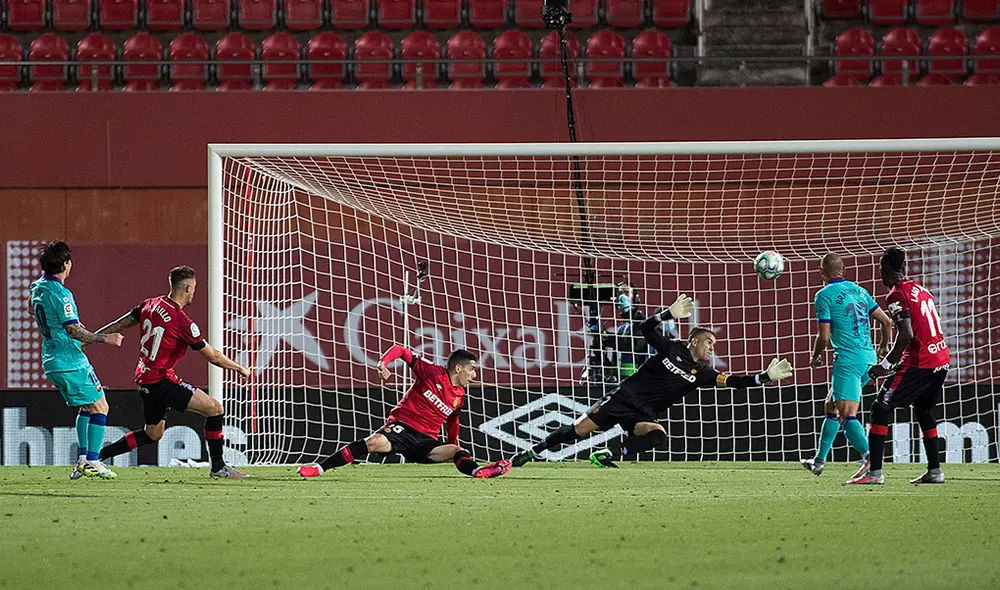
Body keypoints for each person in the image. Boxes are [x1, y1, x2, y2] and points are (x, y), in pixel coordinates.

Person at [510, 294, 794, 468]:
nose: (712, 348)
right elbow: (645, 327)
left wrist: (764, 378)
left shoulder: (703, 374)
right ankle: (531, 452)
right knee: (577, 431)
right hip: (622, 398)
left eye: (714, 344)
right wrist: (667, 314)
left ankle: (608, 453)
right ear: (693, 340)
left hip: (643, 413)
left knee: (657, 435)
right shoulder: (671, 347)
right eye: (709, 341)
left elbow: (734, 381)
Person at [94, 266, 251, 478]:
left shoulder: (150, 304)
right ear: (187, 288)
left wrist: (92, 337)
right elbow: (212, 356)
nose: (194, 292)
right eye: (194, 288)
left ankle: (96, 457)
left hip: (144, 378)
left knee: (153, 433)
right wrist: (239, 367)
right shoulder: (181, 320)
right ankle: (218, 467)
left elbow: (121, 323)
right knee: (214, 408)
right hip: (160, 379)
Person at [297, 346, 510, 479]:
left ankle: (478, 472)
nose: (474, 374)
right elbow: (401, 350)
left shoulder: (459, 396)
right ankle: (318, 468)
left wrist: (451, 443)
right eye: (472, 369)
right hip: (402, 428)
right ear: (458, 368)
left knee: (457, 450)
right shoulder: (432, 372)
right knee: (373, 442)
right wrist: (383, 363)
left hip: (425, 442)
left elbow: (453, 421)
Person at [847, 248, 951, 485]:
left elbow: (906, 335)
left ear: (887, 268)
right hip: (941, 359)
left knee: (880, 407)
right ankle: (935, 471)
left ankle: (875, 473)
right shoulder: (921, 290)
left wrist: (885, 365)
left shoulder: (896, 295)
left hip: (920, 361)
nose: (879, 273)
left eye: (880, 268)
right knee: (924, 410)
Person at [28, 241, 124, 480]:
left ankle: (83, 459)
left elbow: (32, 310)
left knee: (87, 407)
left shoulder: (36, 287)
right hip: (70, 360)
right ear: (65, 264)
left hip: (51, 360)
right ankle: (93, 460)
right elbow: (72, 330)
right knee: (101, 406)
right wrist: (104, 338)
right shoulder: (62, 294)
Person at [802, 253, 893, 477]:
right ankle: (819, 460)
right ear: (844, 270)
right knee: (831, 405)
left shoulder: (823, 295)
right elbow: (887, 321)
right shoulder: (860, 291)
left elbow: (824, 337)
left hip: (848, 361)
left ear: (821, 273)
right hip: (869, 360)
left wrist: (816, 356)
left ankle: (872, 461)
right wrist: (883, 346)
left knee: (847, 415)